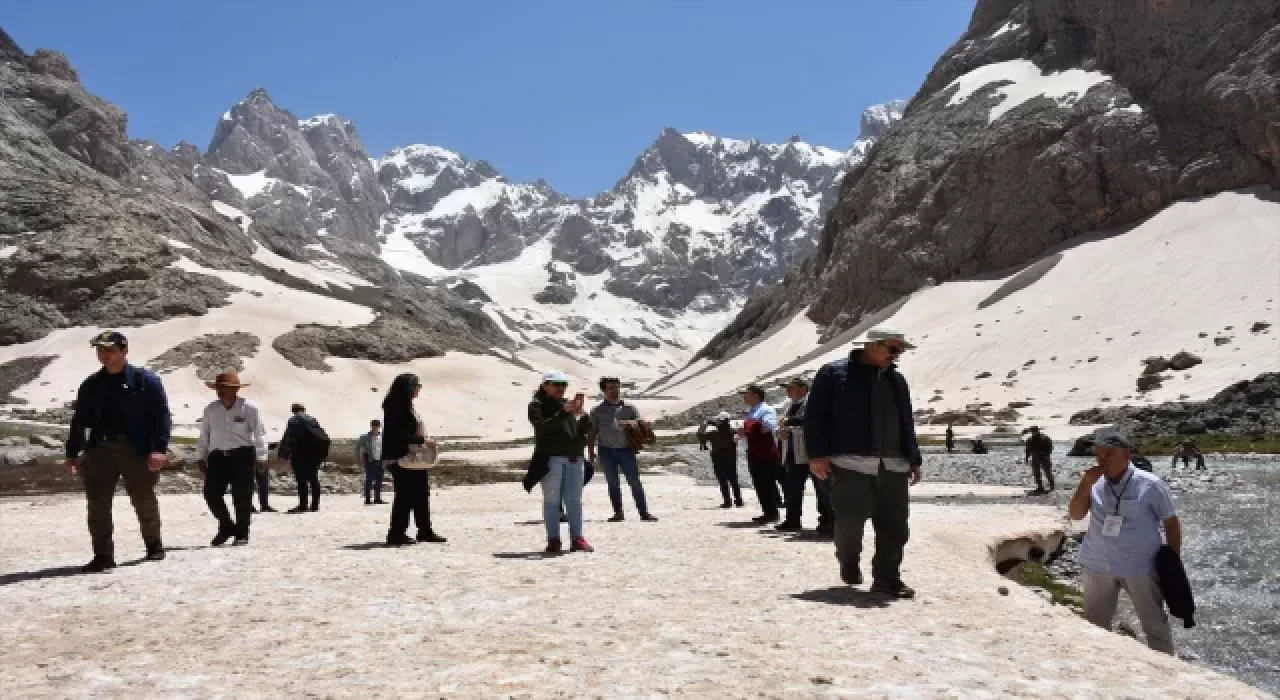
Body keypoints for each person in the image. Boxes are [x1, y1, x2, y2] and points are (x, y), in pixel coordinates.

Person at [807, 327, 922, 599]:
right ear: (870, 346)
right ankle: (848, 560)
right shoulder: (833, 374)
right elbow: (816, 416)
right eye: (892, 349)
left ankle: (887, 578)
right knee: (849, 522)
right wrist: (816, 455)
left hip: (894, 464)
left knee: (895, 526)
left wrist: (913, 458)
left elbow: (906, 420)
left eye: (899, 351)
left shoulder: (897, 381)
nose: (896, 356)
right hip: (850, 463)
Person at [64, 331, 171, 573]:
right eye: (100, 350)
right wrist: (72, 453)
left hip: (136, 449)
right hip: (99, 450)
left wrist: (159, 449)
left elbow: (161, 417)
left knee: (143, 499)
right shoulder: (91, 385)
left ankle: (154, 545)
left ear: (124, 350)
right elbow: (79, 421)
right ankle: (103, 556)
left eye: (109, 350)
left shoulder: (147, 381)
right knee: (97, 504)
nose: (103, 354)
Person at [1069, 428, 1181, 654]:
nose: (1102, 461)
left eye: (1109, 454)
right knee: (1094, 622)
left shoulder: (1150, 484)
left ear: (1126, 455)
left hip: (1139, 565)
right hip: (1097, 563)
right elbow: (1076, 515)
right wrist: (1085, 483)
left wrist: (1172, 561)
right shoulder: (1094, 482)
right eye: (1099, 455)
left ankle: (1166, 667)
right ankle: (1099, 663)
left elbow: (1171, 522)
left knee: (1153, 623)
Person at [195, 372, 267, 546]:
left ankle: (242, 534)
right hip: (218, 456)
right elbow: (205, 434)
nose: (220, 391)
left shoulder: (249, 408)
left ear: (235, 390)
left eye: (224, 388)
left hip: (242, 455)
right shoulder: (211, 409)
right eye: (218, 388)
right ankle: (226, 525)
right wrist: (200, 455)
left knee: (242, 496)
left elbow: (260, 433)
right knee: (211, 493)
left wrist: (262, 456)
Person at [529, 371, 594, 553]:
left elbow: (584, 430)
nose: (561, 388)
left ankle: (577, 538)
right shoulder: (537, 405)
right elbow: (542, 428)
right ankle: (554, 539)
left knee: (574, 500)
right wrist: (562, 413)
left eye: (564, 384)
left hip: (575, 458)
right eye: (556, 384)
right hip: (551, 458)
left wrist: (581, 414)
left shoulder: (567, 406)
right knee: (551, 500)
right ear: (545, 386)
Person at [382, 374, 445, 546]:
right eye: (417, 385)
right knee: (405, 497)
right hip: (402, 458)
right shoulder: (396, 408)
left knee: (421, 495)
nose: (419, 389)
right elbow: (398, 435)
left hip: (413, 458)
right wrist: (421, 440)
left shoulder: (405, 406)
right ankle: (396, 533)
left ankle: (424, 530)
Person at [588, 376, 656, 523]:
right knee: (613, 483)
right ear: (603, 391)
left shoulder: (629, 408)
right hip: (606, 451)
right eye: (610, 388)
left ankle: (644, 513)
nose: (615, 391)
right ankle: (618, 513)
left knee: (634, 482)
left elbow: (640, 424)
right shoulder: (596, 411)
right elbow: (592, 432)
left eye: (616, 387)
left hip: (626, 450)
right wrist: (591, 452)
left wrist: (630, 423)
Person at [776, 377, 833, 534]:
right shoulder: (790, 406)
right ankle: (792, 519)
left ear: (802, 389)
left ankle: (827, 521)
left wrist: (789, 423)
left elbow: (810, 421)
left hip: (812, 453)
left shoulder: (811, 403)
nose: (788, 391)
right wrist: (781, 432)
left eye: (791, 388)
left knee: (822, 488)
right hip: (794, 452)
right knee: (792, 488)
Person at [738, 384, 783, 524]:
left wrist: (748, 431)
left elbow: (767, 428)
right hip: (754, 452)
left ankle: (773, 513)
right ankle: (767, 511)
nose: (745, 397)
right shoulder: (752, 411)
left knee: (767, 483)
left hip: (765, 453)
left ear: (756, 396)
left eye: (747, 394)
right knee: (759, 483)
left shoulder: (766, 409)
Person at [277, 403, 329, 513]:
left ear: (293, 410)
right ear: (304, 410)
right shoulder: (312, 419)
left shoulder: (293, 420)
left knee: (301, 480)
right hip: (314, 454)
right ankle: (315, 505)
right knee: (313, 479)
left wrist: (283, 454)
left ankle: (303, 505)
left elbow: (289, 437)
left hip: (300, 453)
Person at [698, 412, 743, 508]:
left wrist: (705, 423)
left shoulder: (713, 434)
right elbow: (731, 429)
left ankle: (727, 501)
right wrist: (717, 423)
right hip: (731, 459)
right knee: (734, 480)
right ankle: (739, 501)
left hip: (718, 459)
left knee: (723, 480)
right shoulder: (733, 432)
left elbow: (700, 434)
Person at [355, 419, 386, 505]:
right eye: (373, 426)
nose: (375, 428)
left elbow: (386, 449)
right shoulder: (365, 437)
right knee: (369, 480)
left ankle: (377, 498)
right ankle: (368, 499)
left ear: (379, 426)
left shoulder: (383, 437)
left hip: (380, 461)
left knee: (379, 480)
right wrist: (358, 460)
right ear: (371, 426)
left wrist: (386, 460)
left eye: (377, 426)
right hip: (370, 461)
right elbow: (357, 448)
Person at [1024, 426, 1055, 494]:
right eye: (1032, 432)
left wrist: (1046, 454)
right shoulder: (1030, 439)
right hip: (1037, 457)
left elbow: (1050, 447)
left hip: (1043, 457)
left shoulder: (1045, 438)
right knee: (1037, 473)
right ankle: (1040, 487)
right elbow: (1027, 450)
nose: (1033, 433)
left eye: (1034, 431)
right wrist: (1026, 457)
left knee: (1047, 472)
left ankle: (1051, 487)